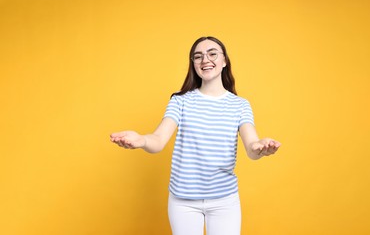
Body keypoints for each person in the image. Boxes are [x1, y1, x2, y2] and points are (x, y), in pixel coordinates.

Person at [110, 36, 281, 235]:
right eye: (198, 56)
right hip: (183, 202)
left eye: (212, 54)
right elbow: (158, 141)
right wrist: (141, 140)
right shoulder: (180, 101)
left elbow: (252, 147)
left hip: (224, 200)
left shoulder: (240, 105)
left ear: (224, 60)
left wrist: (261, 147)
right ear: (193, 64)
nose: (205, 60)